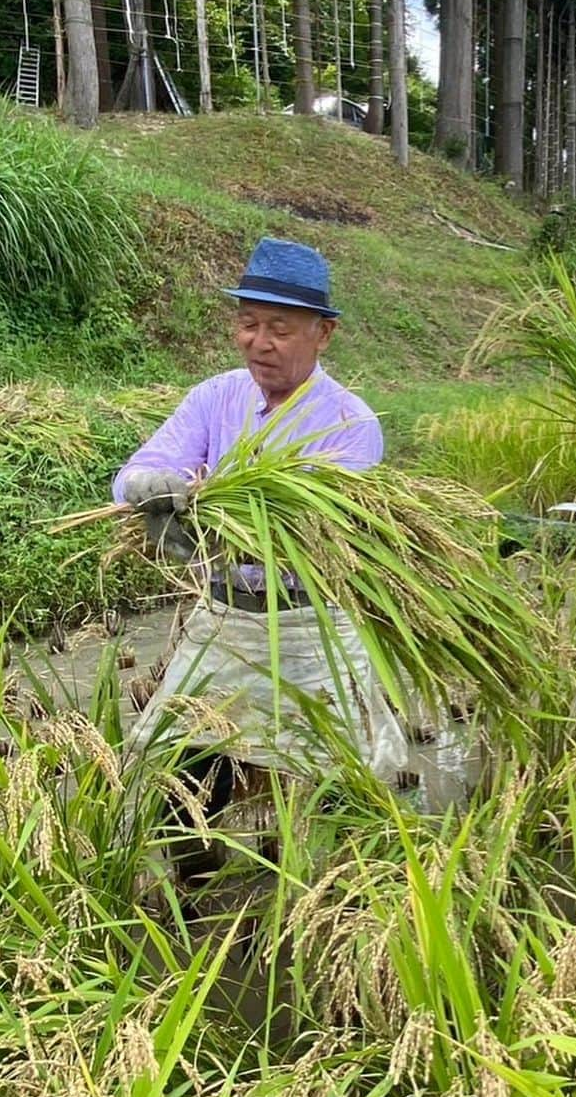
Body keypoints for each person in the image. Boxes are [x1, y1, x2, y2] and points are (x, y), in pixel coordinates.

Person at [113, 237, 408, 803]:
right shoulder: (213, 398)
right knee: (175, 773)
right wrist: (149, 489)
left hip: (310, 627)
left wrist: (221, 516)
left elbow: (314, 530)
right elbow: (140, 469)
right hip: (225, 619)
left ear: (323, 333)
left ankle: (330, 886)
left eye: (280, 327)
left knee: (340, 787)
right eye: (249, 324)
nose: (260, 343)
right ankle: (194, 883)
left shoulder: (351, 423)